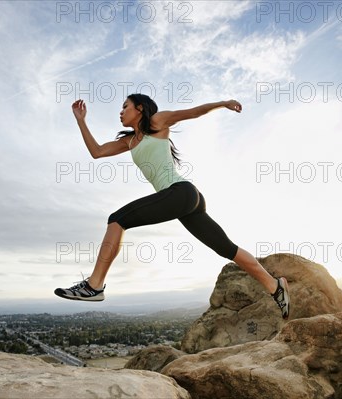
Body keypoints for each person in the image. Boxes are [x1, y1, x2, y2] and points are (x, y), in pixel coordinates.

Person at [54, 94, 290, 319]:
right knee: (226, 248)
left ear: (140, 109)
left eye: (125, 106)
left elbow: (193, 112)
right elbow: (97, 152)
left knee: (117, 219)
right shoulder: (129, 141)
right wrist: (81, 120)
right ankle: (275, 287)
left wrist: (223, 103)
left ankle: (94, 286)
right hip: (187, 200)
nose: (121, 111)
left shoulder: (157, 122)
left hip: (180, 192)